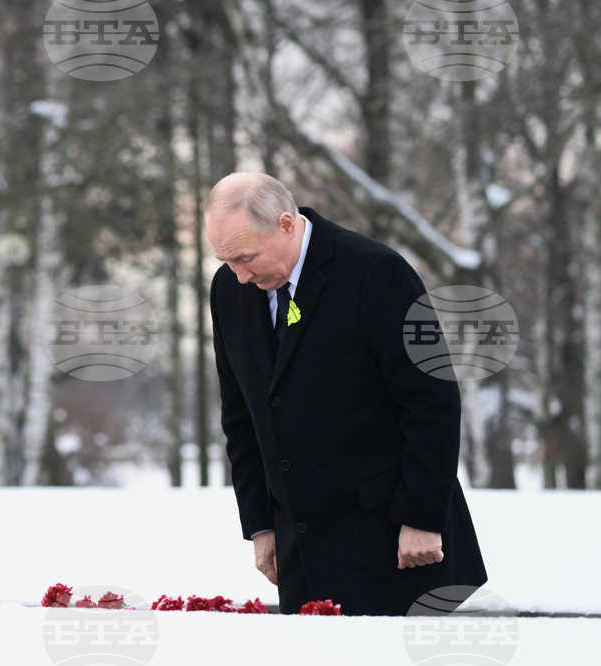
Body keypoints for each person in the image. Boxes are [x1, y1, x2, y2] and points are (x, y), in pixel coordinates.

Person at [206, 172, 488, 616]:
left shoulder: (376, 272)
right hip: (301, 554)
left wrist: (422, 517)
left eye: (246, 257)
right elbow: (241, 416)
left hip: (397, 544)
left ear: (285, 224)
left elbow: (432, 401)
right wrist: (260, 525)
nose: (239, 276)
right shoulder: (227, 289)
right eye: (227, 260)